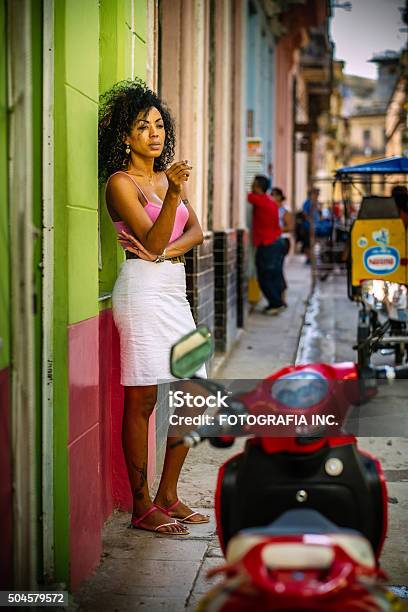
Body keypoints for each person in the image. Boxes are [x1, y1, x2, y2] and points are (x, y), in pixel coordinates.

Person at [98, 79, 209, 536]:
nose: (154, 133)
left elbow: (197, 234)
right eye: (143, 126)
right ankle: (142, 506)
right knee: (142, 398)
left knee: (197, 392)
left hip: (172, 289)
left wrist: (163, 250)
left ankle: (168, 493)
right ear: (125, 136)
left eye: (159, 125)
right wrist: (175, 200)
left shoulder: (165, 177)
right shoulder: (120, 184)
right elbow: (155, 237)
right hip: (140, 292)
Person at [248, 176, 285, 315]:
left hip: (268, 244)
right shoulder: (271, 201)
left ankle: (276, 303)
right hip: (276, 242)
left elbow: (248, 197)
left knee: (264, 276)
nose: (251, 186)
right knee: (274, 275)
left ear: (258, 187)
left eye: (253, 184)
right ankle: (276, 302)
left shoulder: (260, 200)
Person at [271, 187, 293, 307]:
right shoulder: (271, 209)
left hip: (282, 241)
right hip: (273, 241)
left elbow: (290, 227)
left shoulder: (285, 211)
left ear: (279, 197)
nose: (272, 197)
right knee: (275, 269)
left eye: (274, 195)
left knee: (278, 268)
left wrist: (276, 229)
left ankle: (282, 297)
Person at [301, 187, 321, 264]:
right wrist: (311, 222)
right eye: (316, 194)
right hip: (308, 226)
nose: (317, 196)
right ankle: (309, 258)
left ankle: (311, 257)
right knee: (308, 243)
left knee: (313, 242)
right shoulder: (308, 203)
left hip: (315, 226)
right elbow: (305, 214)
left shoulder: (316, 202)